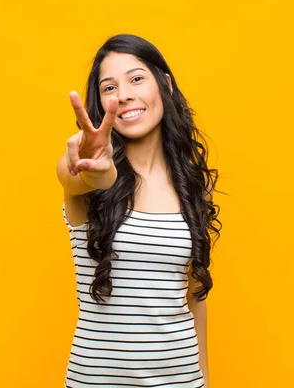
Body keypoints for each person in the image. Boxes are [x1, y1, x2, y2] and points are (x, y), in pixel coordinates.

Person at [56, 33, 222, 387]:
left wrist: (205, 381)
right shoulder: (86, 176)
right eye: (109, 87)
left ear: (166, 84)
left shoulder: (194, 187)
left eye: (136, 79)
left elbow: (194, 297)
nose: (125, 94)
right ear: (101, 104)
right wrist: (94, 172)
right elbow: (73, 179)